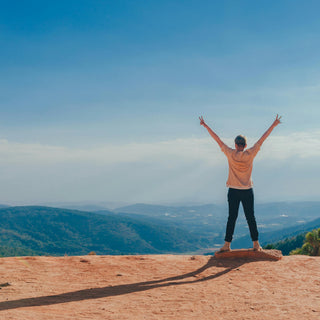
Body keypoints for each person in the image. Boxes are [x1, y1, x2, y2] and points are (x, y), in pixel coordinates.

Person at [199, 115, 282, 252]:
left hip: (233, 190)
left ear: (236, 145)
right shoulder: (251, 153)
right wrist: (274, 124)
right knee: (251, 217)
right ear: (245, 145)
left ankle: (227, 245)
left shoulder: (230, 153)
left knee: (232, 217)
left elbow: (217, 139)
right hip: (247, 190)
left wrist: (206, 125)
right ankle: (256, 244)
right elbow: (262, 139)